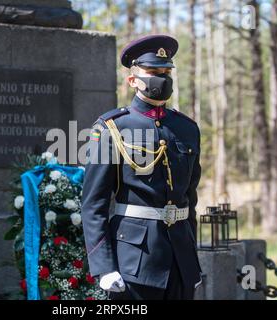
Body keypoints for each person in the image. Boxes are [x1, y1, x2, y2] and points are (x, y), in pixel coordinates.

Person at [81, 34, 202, 300]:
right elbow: (94, 204)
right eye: (153, 71)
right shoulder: (113, 126)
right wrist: (104, 268)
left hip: (181, 262)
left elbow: (189, 199)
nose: (162, 78)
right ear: (133, 80)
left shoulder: (186, 128)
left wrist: (192, 254)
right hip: (134, 262)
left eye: (166, 71)